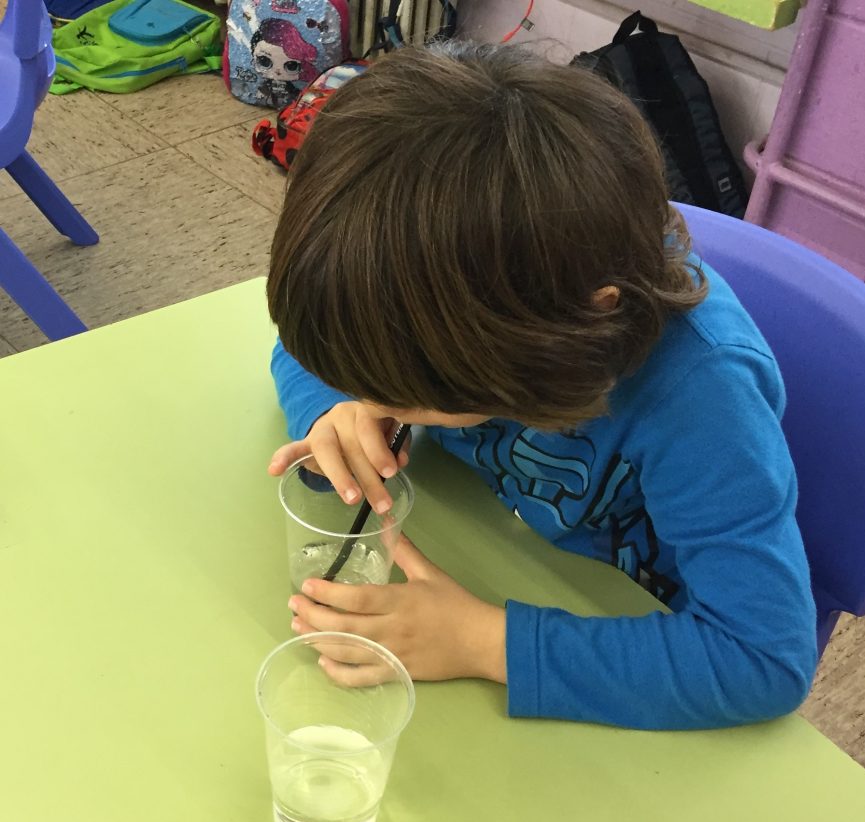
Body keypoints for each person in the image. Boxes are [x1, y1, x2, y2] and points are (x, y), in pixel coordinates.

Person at [265, 42, 818, 730]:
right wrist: (334, 408)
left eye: (404, 391)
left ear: (572, 332)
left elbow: (762, 658)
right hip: (494, 547)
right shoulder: (484, 309)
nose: (379, 403)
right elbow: (312, 347)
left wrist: (481, 642)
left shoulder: (702, 395)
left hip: (624, 629)